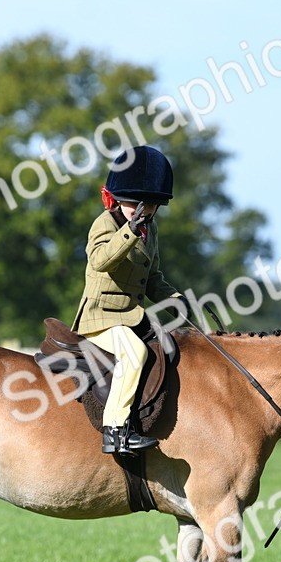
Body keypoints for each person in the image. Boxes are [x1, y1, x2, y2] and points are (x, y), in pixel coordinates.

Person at [72, 146, 189, 456]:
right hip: (101, 317)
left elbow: (153, 278)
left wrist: (176, 299)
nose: (145, 211)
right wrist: (128, 232)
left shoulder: (150, 230)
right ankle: (116, 431)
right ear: (117, 198)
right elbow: (99, 261)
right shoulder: (105, 224)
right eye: (138, 204)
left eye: (152, 205)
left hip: (131, 317)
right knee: (135, 354)